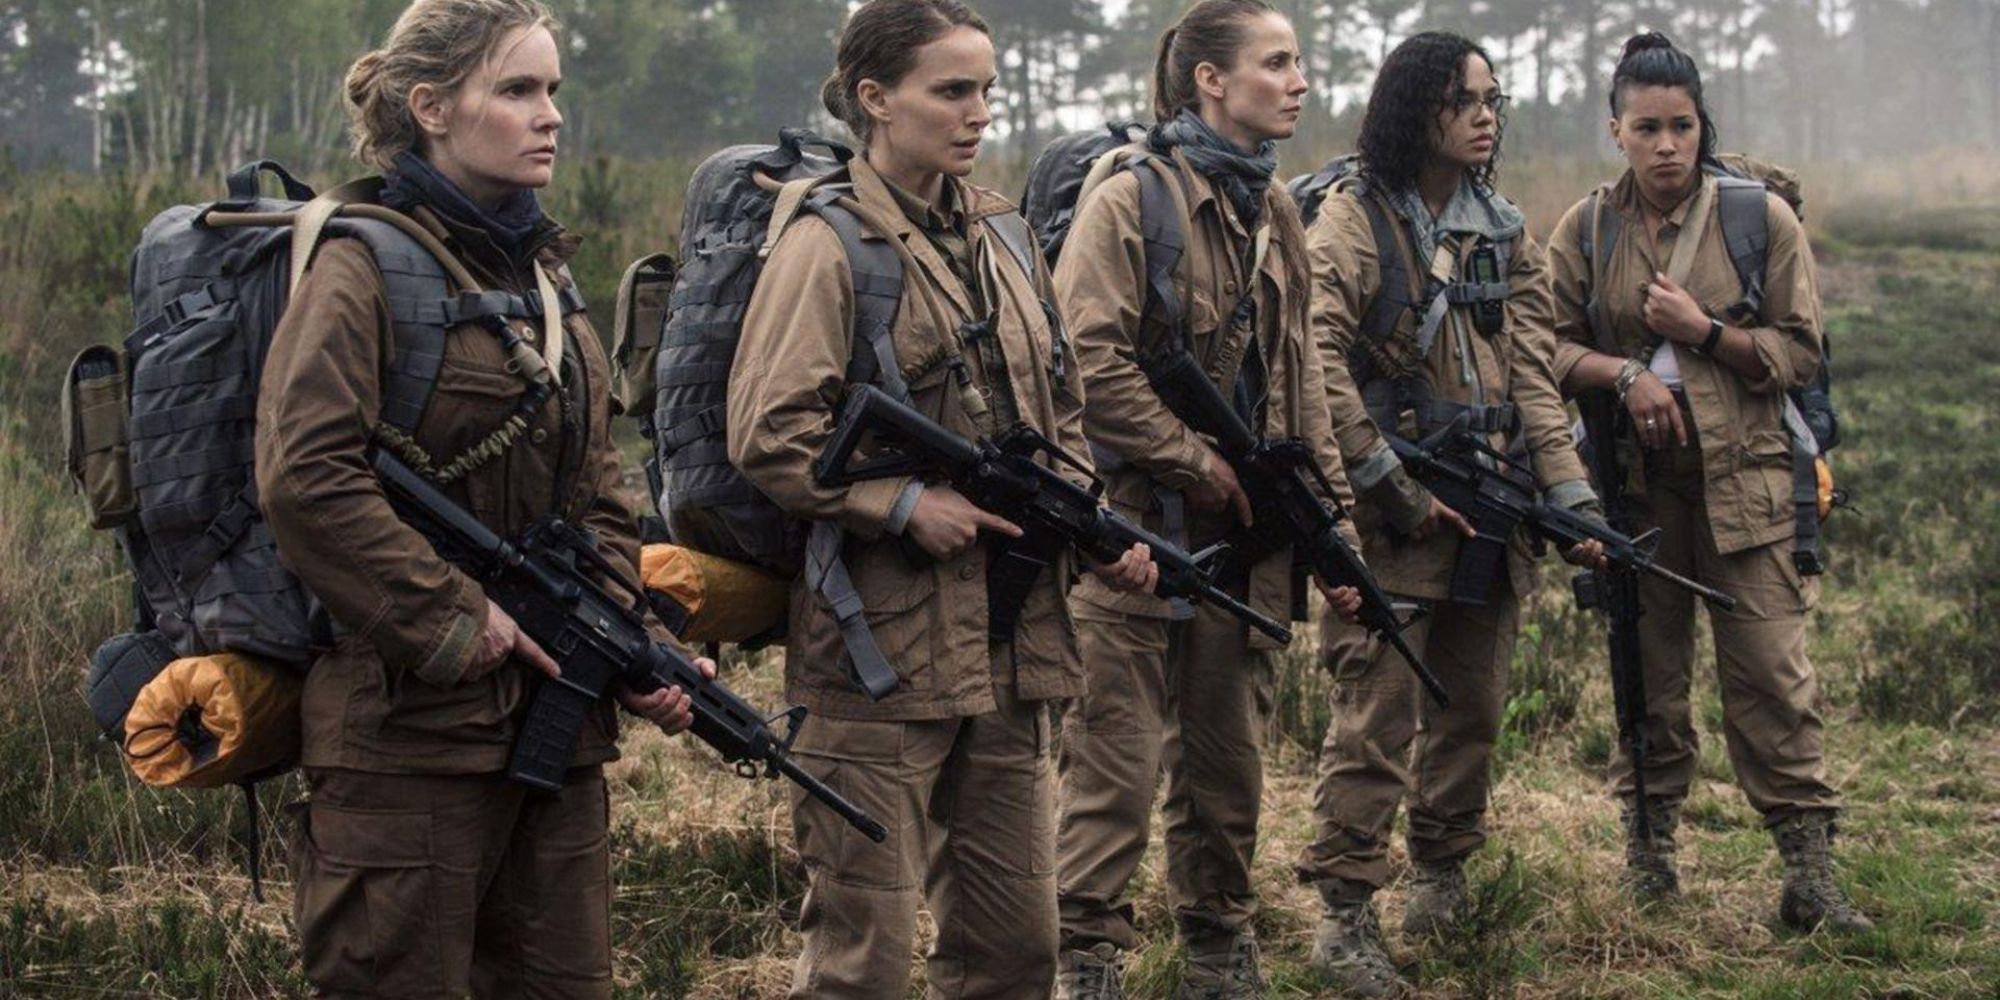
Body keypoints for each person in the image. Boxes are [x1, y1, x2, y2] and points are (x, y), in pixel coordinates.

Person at [255, 2, 713, 995]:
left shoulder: (544, 278)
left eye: (552, 90)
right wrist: (465, 622)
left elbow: (595, 481)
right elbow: (306, 476)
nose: (550, 115)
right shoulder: (359, 266)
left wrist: (626, 635)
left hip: (554, 735)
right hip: (407, 742)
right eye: (516, 90)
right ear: (430, 107)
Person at [724, 2, 1155, 996]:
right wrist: (901, 503)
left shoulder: (1004, 235)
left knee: (1014, 950)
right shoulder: (825, 244)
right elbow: (767, 430)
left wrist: (1092, 525)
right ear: (874, 99)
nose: (977, 114)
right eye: (950, 90)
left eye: (986, 91)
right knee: (861, 958)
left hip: (1010, 649)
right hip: (877, 651)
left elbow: (1061, 411)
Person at [1050, 3, 1363, 996]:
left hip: (1247, 540)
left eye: (1299, 62)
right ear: (1209, 83)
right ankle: (1087, 953)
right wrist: (1195, 462)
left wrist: (1332, 525)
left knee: (1228, 763)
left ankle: (1217, 946)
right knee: (1113, 763)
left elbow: (1299, 377)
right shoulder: (1129, 199)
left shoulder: (1272, 212)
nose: (1299, 81)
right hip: (1134, 531)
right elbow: (1086, 361)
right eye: (1276, 63)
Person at [1291, 32, 1604, 997]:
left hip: (1491, 504)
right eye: (1463, 99)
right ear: (1414, 109)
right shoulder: (1350, 223)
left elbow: (1535, 380)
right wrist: (1388, 481)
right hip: (1395, 514)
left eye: (1493, 99)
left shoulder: (1502, 229)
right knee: (1376, 716)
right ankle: (1344, 912)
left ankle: (1442, 873)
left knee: (1473, 706)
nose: (1485, 116)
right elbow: (1317, 360)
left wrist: (1571, 496)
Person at [1544, 31, 1871, 932]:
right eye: (1646, 127)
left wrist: (1702, 333)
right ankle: (1649, 863)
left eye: (1681, 125)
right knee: (1646, 679)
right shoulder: (1589, 227)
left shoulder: (1758, 219)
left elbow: (1800, 351)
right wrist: (1625, 376)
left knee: (1774, 680)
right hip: (1636, 491)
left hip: (1748, 484)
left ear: (1701, 125)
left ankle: (1809, 878)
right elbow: (1545, 345)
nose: (1665, 145)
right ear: (1616, 129)